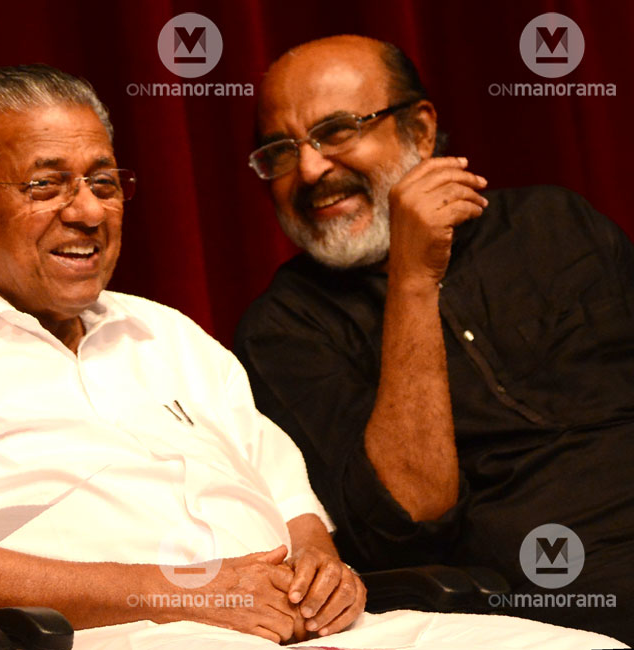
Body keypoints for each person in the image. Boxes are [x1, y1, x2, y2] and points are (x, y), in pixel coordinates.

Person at [0, 64, 620, 649]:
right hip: (120, 639)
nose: (88, 211)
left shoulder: (173, 335)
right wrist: (194, 595)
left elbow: (302, 516)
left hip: (312, 630)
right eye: (48, 186)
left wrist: (321, 567)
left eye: (105, 181)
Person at [234, 35, 633, 643]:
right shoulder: (283, 328)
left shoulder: (555, 221)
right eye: (282, 151)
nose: (311, 169)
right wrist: (412, 280)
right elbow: (408, 515)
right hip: (560, 599)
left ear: (419, 131)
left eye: (337, 131)